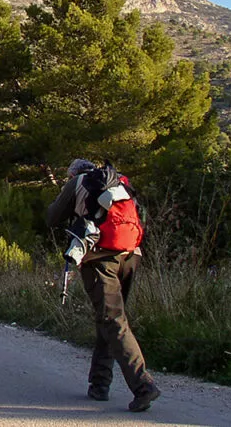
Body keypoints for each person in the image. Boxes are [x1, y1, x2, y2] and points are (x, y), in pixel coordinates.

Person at [45, 158, 160, 413]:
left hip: (99, 258)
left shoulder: (77, 182)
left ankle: (143, 386)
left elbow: (52, 218)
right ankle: (99, 385)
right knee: (108, 319)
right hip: (131, 255)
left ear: (73, 172)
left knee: (113, 321)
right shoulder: (119, 181)